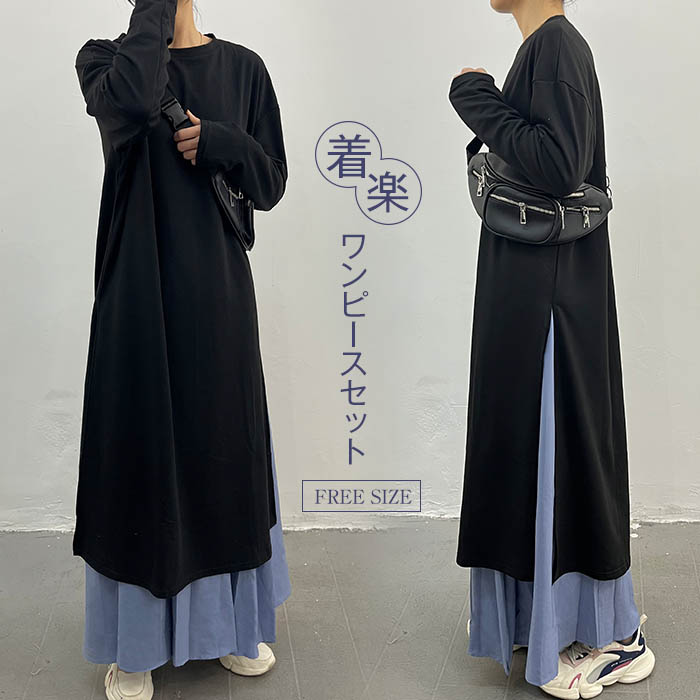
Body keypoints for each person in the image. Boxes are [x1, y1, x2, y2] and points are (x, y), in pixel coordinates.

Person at [72, 1, 290, 698]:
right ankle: (135, 645)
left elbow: (271, 182)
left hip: (218, 299)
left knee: (223, 455)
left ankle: (228, 628)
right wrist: (153, 15)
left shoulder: (244, 69)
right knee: (136, 461)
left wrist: (223, 141)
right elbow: (135, 101)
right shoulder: (106, 60)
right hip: (134, 298)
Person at [448, 1, 656, 697]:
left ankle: (613, 638)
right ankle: (548, 621)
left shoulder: (558, 45)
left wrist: (476, 98)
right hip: (540, 299)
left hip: (552, 307)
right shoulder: (544, 48)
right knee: (535, 458)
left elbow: (559, 164)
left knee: (559, 459)